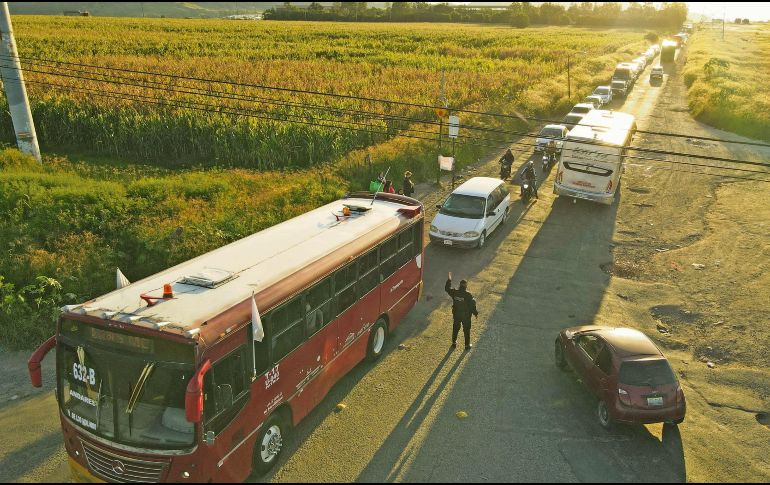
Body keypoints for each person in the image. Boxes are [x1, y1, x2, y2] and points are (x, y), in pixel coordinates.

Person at [445, 272, 478, 350]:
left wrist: (449, 280)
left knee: (455, 328)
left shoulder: (455, 292)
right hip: (466, 316)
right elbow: (472, 305)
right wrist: (475, 313)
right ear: (466, 286)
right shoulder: (468, 295)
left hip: (456, 314)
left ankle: (454, 343)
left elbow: (447, 289)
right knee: (466, 330)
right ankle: (467, 345)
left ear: (459, 285)